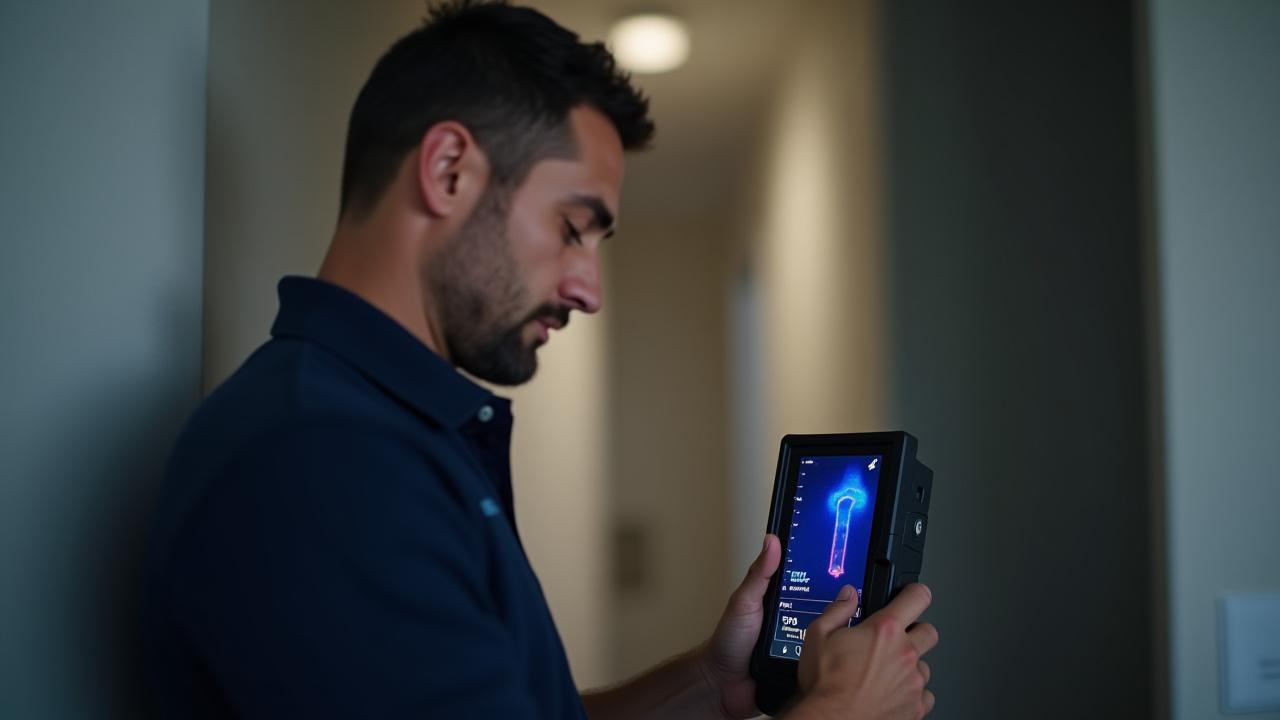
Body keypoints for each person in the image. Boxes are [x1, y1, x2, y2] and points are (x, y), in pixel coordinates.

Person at [143, 2, 939, 718]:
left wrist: (705, 681)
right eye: (571, 227)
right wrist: (841, 711)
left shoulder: (391, 430)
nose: (589, 290)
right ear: (449, 170)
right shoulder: (326, 460)